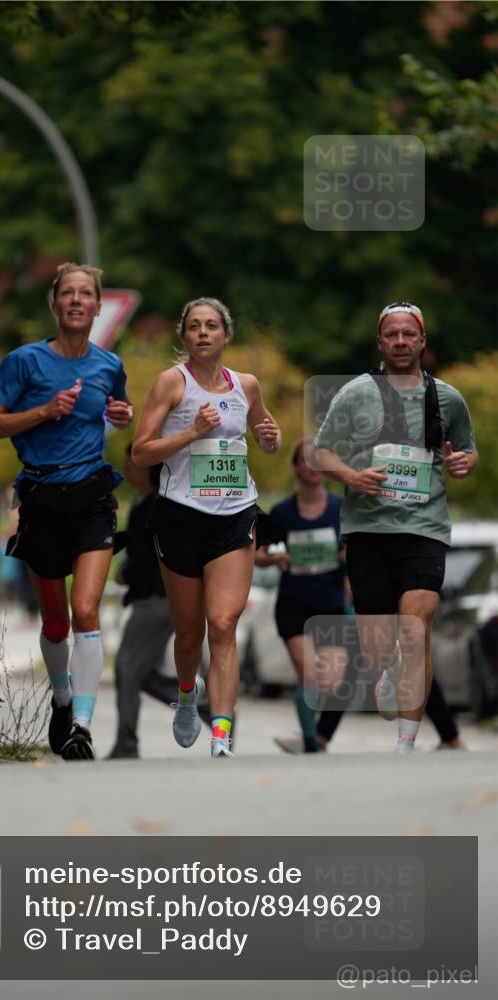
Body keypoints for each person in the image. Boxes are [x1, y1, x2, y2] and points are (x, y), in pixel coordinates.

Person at [0, 263, 133, 761]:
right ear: (54, 304)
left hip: (92, 497)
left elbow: (118, 408)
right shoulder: (25, 362)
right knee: (55, 625)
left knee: (86, 610)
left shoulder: (109, 364)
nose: (76, 301)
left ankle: (82, 728)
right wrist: (44, 412)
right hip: (42, 498)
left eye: (85, 294)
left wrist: (123, 414)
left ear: (97, 306)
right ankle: (62, 698)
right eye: (67, 293)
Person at [313, 301, 478, 753]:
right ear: (380, 342)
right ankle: (387, 669)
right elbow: (321, 451)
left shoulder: (448, 398)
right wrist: (351, 477)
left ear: (423, 341)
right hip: (368, 529)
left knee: (416, 628)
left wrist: (464, 462)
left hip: (425, 527)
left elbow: (467, 449)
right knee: (378, 649)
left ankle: (406, 743)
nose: (401, 342)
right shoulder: (355, 393)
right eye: (392, 335)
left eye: (409, 334)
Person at [132, 297, 281, 758]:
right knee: (189, 634)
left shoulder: (246, 385)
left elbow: (264, 437)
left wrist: (270, 438)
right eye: (194, 326)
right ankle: (185, 693)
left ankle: (221, 732)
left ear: (225, 335)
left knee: (223, 623)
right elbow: (140, 452)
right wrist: (192, 432)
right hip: (180, 516)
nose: (202, 333)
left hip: (235, 514)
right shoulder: (171, 383)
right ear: (184, 335)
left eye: (211, 325)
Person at [107, 445, 212, 760]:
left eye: (132, 464)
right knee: (142, 672)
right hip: (159, 596)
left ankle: (127, 743)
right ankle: (205, 706)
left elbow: (148, 554)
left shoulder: (154, 503)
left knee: (127, 667)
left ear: (149, 465)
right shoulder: (155, 500)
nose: (128, 471)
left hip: (155, 596)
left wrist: (125, 572)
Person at [255, 439, 347, 752]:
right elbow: (257, 554)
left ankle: (314, 737)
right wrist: (273, 558)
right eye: (307, 460)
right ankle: (311, 745)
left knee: (332, 684)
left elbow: (364, 548)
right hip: (294, 604)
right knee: (309, 676)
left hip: (331, 603)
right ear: (296, 468)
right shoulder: (282, 513)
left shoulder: (341, 509)